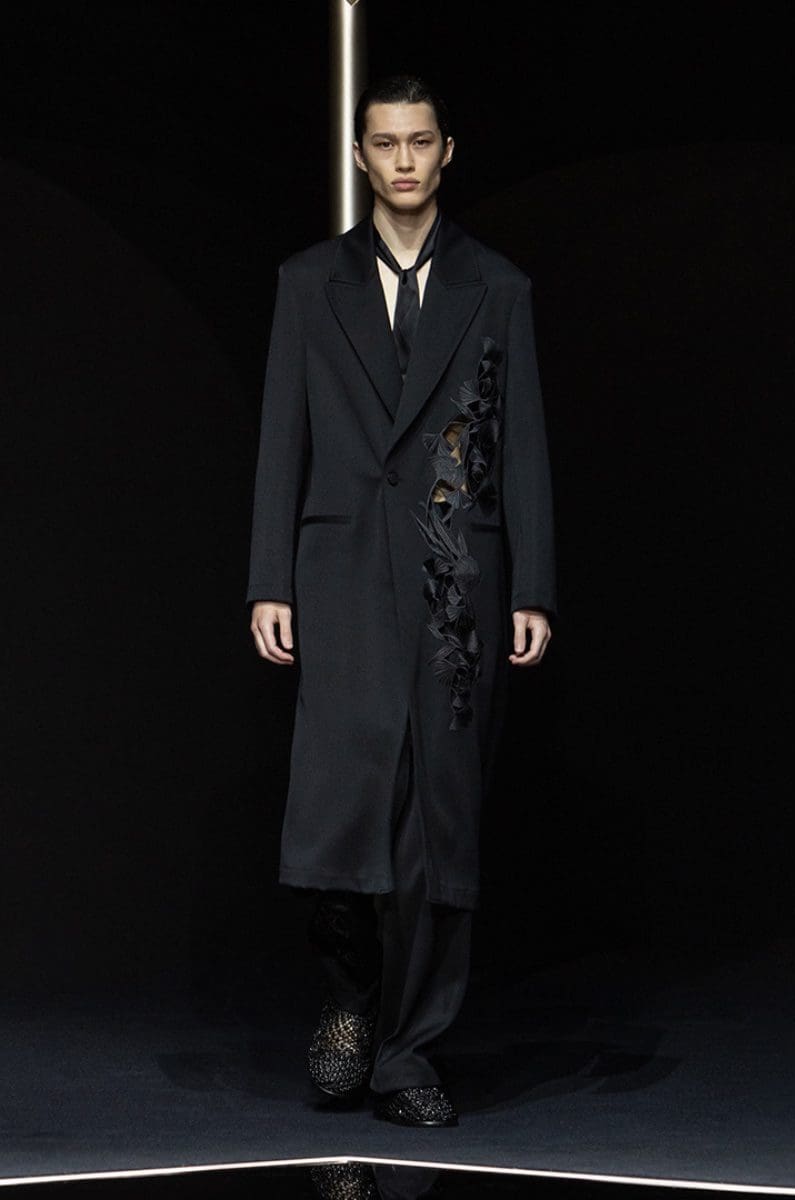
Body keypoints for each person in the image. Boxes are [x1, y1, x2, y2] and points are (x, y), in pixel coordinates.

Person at [246, 74, 556, 1128]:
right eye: (386, 144)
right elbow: (280, 436)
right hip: (336, 573)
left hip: (452, 581)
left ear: (446, 150)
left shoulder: (496, 287)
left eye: (420, 142)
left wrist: (532, 585)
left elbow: (522, 444)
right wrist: (269, 578)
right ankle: (351, 996)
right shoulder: (307, 282)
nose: (405, 161)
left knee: (438, 824)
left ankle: (408, 1052)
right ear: (360, 156)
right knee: (338, 807)